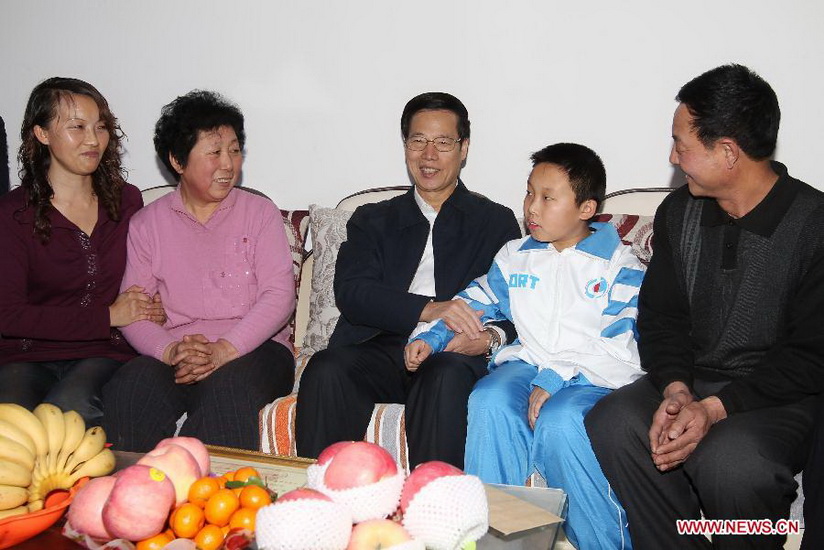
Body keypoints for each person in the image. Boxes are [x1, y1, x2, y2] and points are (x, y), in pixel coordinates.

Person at [585, 64, 824, 550]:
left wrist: (715, 409)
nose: (672, 156)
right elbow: (662, 319)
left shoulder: (814, 224)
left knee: (732, 461)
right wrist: (676, 390)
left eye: (681, 144)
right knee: (613, 420)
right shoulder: (680, 212)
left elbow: (810, 356)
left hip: (779, 396)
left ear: (728, 152)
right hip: (694, 379)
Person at [407, 143, 644, 549]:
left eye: (548, 198)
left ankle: (602, 541)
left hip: (591, 375)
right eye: (529, 193)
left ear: (586, 209)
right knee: (489, 399)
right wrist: (430, 337)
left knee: (560, 421)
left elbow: (624, 349)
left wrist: (557, 377)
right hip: (529, 363)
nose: (531, 208)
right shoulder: (515, 256)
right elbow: (473, 302)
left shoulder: (623, 267)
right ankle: (496, 541)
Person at [295, 92, 521, 468]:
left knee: (444, 376)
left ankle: (433, 510)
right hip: (380, 347)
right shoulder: (372, 219)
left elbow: (518, 303)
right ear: (405, 147)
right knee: (327, 369)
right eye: (418, 141)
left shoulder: (494, 221)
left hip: (451, 352)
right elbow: (353, 292)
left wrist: (488, 339)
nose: (428, 154)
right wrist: (431, 309)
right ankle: (322, 507)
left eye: (443, 142)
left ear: (464, 149)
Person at [102, 90, 296, 451]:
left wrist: (224, 349)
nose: (228, 164)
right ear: (178, 160)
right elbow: (134, 313)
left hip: (256, 350)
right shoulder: (148, 223)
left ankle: (213, 499)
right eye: (214, 152)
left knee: (228, 390)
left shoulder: (259, 213)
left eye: (235, 150)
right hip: (179, 349)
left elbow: (279, 297)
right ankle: (137, 498)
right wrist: (170, 351)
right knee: (130, 387)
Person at [0, 77, 162, 425]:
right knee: (10, 422)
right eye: (77, 127)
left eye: (101, 127)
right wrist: (106, 316)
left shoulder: (126, 200)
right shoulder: (12, 214)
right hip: (26, 356)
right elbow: (9, 315)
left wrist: (156, 306)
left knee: (66, 413)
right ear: (42, 134)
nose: (93, 139)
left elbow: (152, 271)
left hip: (104, 353)